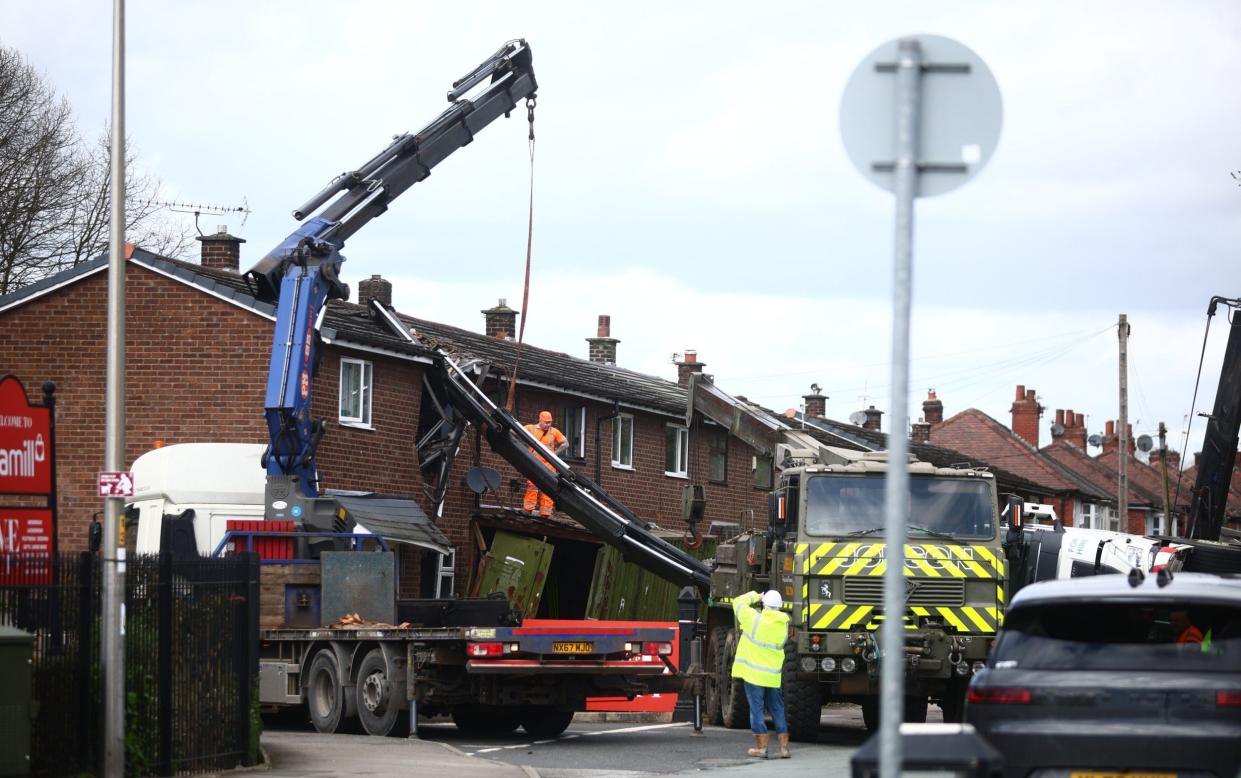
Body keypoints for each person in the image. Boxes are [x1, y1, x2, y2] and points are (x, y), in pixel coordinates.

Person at [731, 589, 791, 759]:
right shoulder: (784, 624)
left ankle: (761, 747)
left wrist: (757, 596)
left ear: (764, 604)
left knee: (756, 710)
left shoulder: (754, 619)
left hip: (754, 675)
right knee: (777, 708)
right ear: (780, 606)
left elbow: (737, 601)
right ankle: (784, 747)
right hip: (772, 676)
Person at [522, 410, 568, 517]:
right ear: (540, 420)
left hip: (549, 465)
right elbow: (514, 430)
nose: (548, 424)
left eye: (550, 422)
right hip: (534, 463)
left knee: (548, 487)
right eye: (546, 422)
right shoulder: (531, 428)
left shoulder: (554, 432)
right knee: (532, 486)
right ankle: (528, 509)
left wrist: (555, 454)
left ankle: (546, 513)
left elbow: (565, 443)